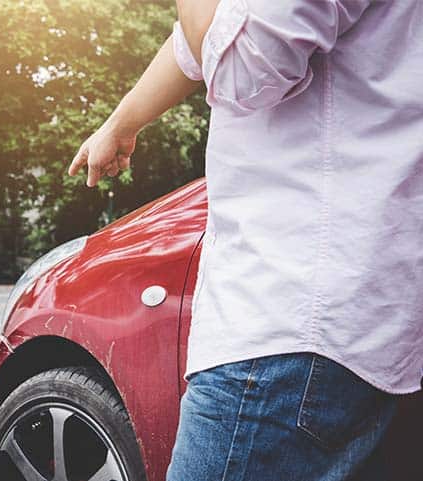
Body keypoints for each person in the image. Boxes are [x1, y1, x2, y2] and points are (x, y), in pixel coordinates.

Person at [70, 0, 422, 479]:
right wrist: (122, 122)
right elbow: (210, 37)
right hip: (336, 310)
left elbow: (245, 65)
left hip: (289, 316)